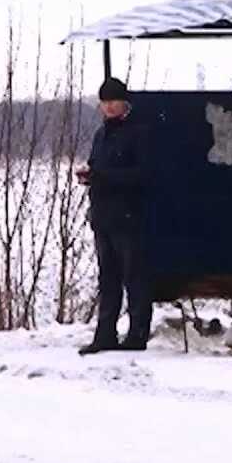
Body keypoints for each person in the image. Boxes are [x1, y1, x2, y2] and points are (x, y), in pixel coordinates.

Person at [76, 77, 154, 355]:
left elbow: (143, 175)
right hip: (103, 217)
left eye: (113, 102)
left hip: (129, 216)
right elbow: (99, 169)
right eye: (104, 102)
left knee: (134, 276)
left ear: (125, 103)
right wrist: (89, 177)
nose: (108, 107)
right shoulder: (101, 135)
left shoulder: (138, 133)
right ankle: (105, 334)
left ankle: (137, 334)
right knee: (107, 279)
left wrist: (102, 177)